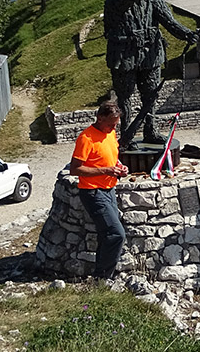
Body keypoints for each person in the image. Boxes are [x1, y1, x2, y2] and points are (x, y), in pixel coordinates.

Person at [103, 0, 195, 149]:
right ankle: (126, 135)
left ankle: (151, 130)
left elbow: (169, 21)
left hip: (150, 53)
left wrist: (187, 34)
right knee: (125, 97)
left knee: (151, 94)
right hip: (124, 55)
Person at [70, 100, 130, 279]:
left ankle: (100, 276)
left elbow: (112, 158)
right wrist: (106, 170)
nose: (113, 128)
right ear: (100, 118)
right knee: (116, 233)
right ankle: (103, 277)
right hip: (92, 192)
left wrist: (120, 167)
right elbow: (75, 169)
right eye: (111, 123)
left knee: (107, 234)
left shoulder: (110, 133)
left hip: (109, 189)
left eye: (116, 124)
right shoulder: (86, 138)